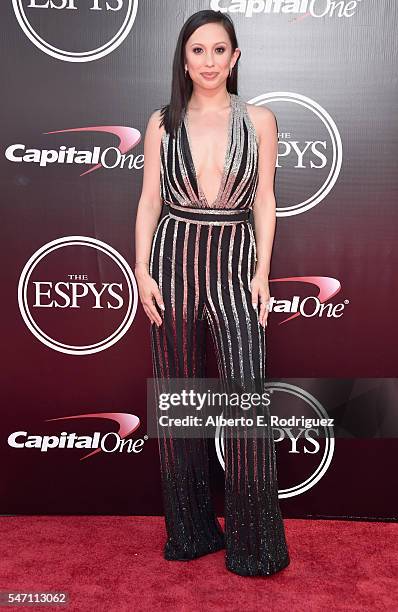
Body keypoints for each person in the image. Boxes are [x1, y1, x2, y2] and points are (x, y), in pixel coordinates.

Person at [134, 9, 290, 577]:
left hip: (234, 261)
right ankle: (192, 530)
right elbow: (150, 198)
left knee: (245, 400)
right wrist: (142, 270)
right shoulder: (161, 122)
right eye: (197, 50)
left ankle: (255, 546)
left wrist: (262, 273)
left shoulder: (261, 120)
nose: (207, 61)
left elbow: (265, 201)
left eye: (218, 50)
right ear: (184, 57)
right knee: (178, 400)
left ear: (235, 57)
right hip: (172, 259)